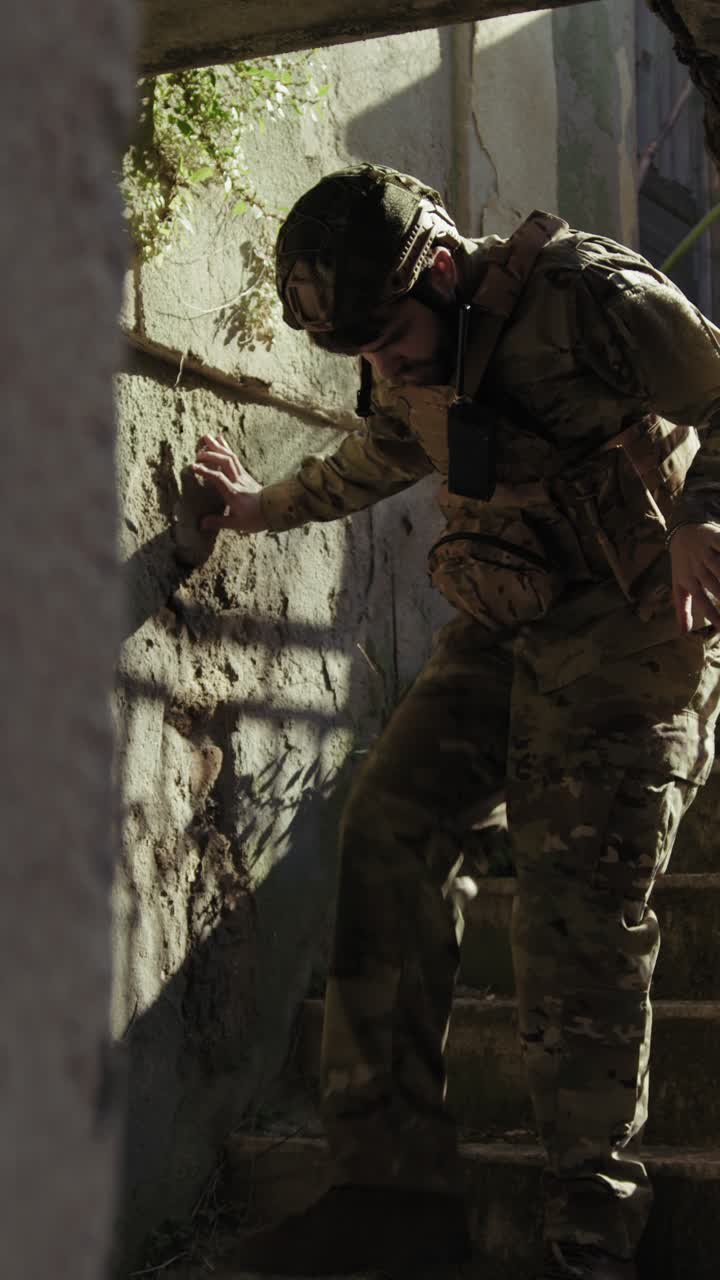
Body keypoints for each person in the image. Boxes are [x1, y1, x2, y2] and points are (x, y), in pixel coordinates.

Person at [192, 165, 720, 1280]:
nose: (379, 363)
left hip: (637, 620)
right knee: (388, 817)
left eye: (385, 335)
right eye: (356, 354)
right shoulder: (405, 350)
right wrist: (258, 506)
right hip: (511, 618)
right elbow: (386, 449)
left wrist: (702, 518)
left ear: (438, 265)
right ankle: (388, 1188)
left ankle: (590, 1216)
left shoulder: (591, 297)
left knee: (576, 897)